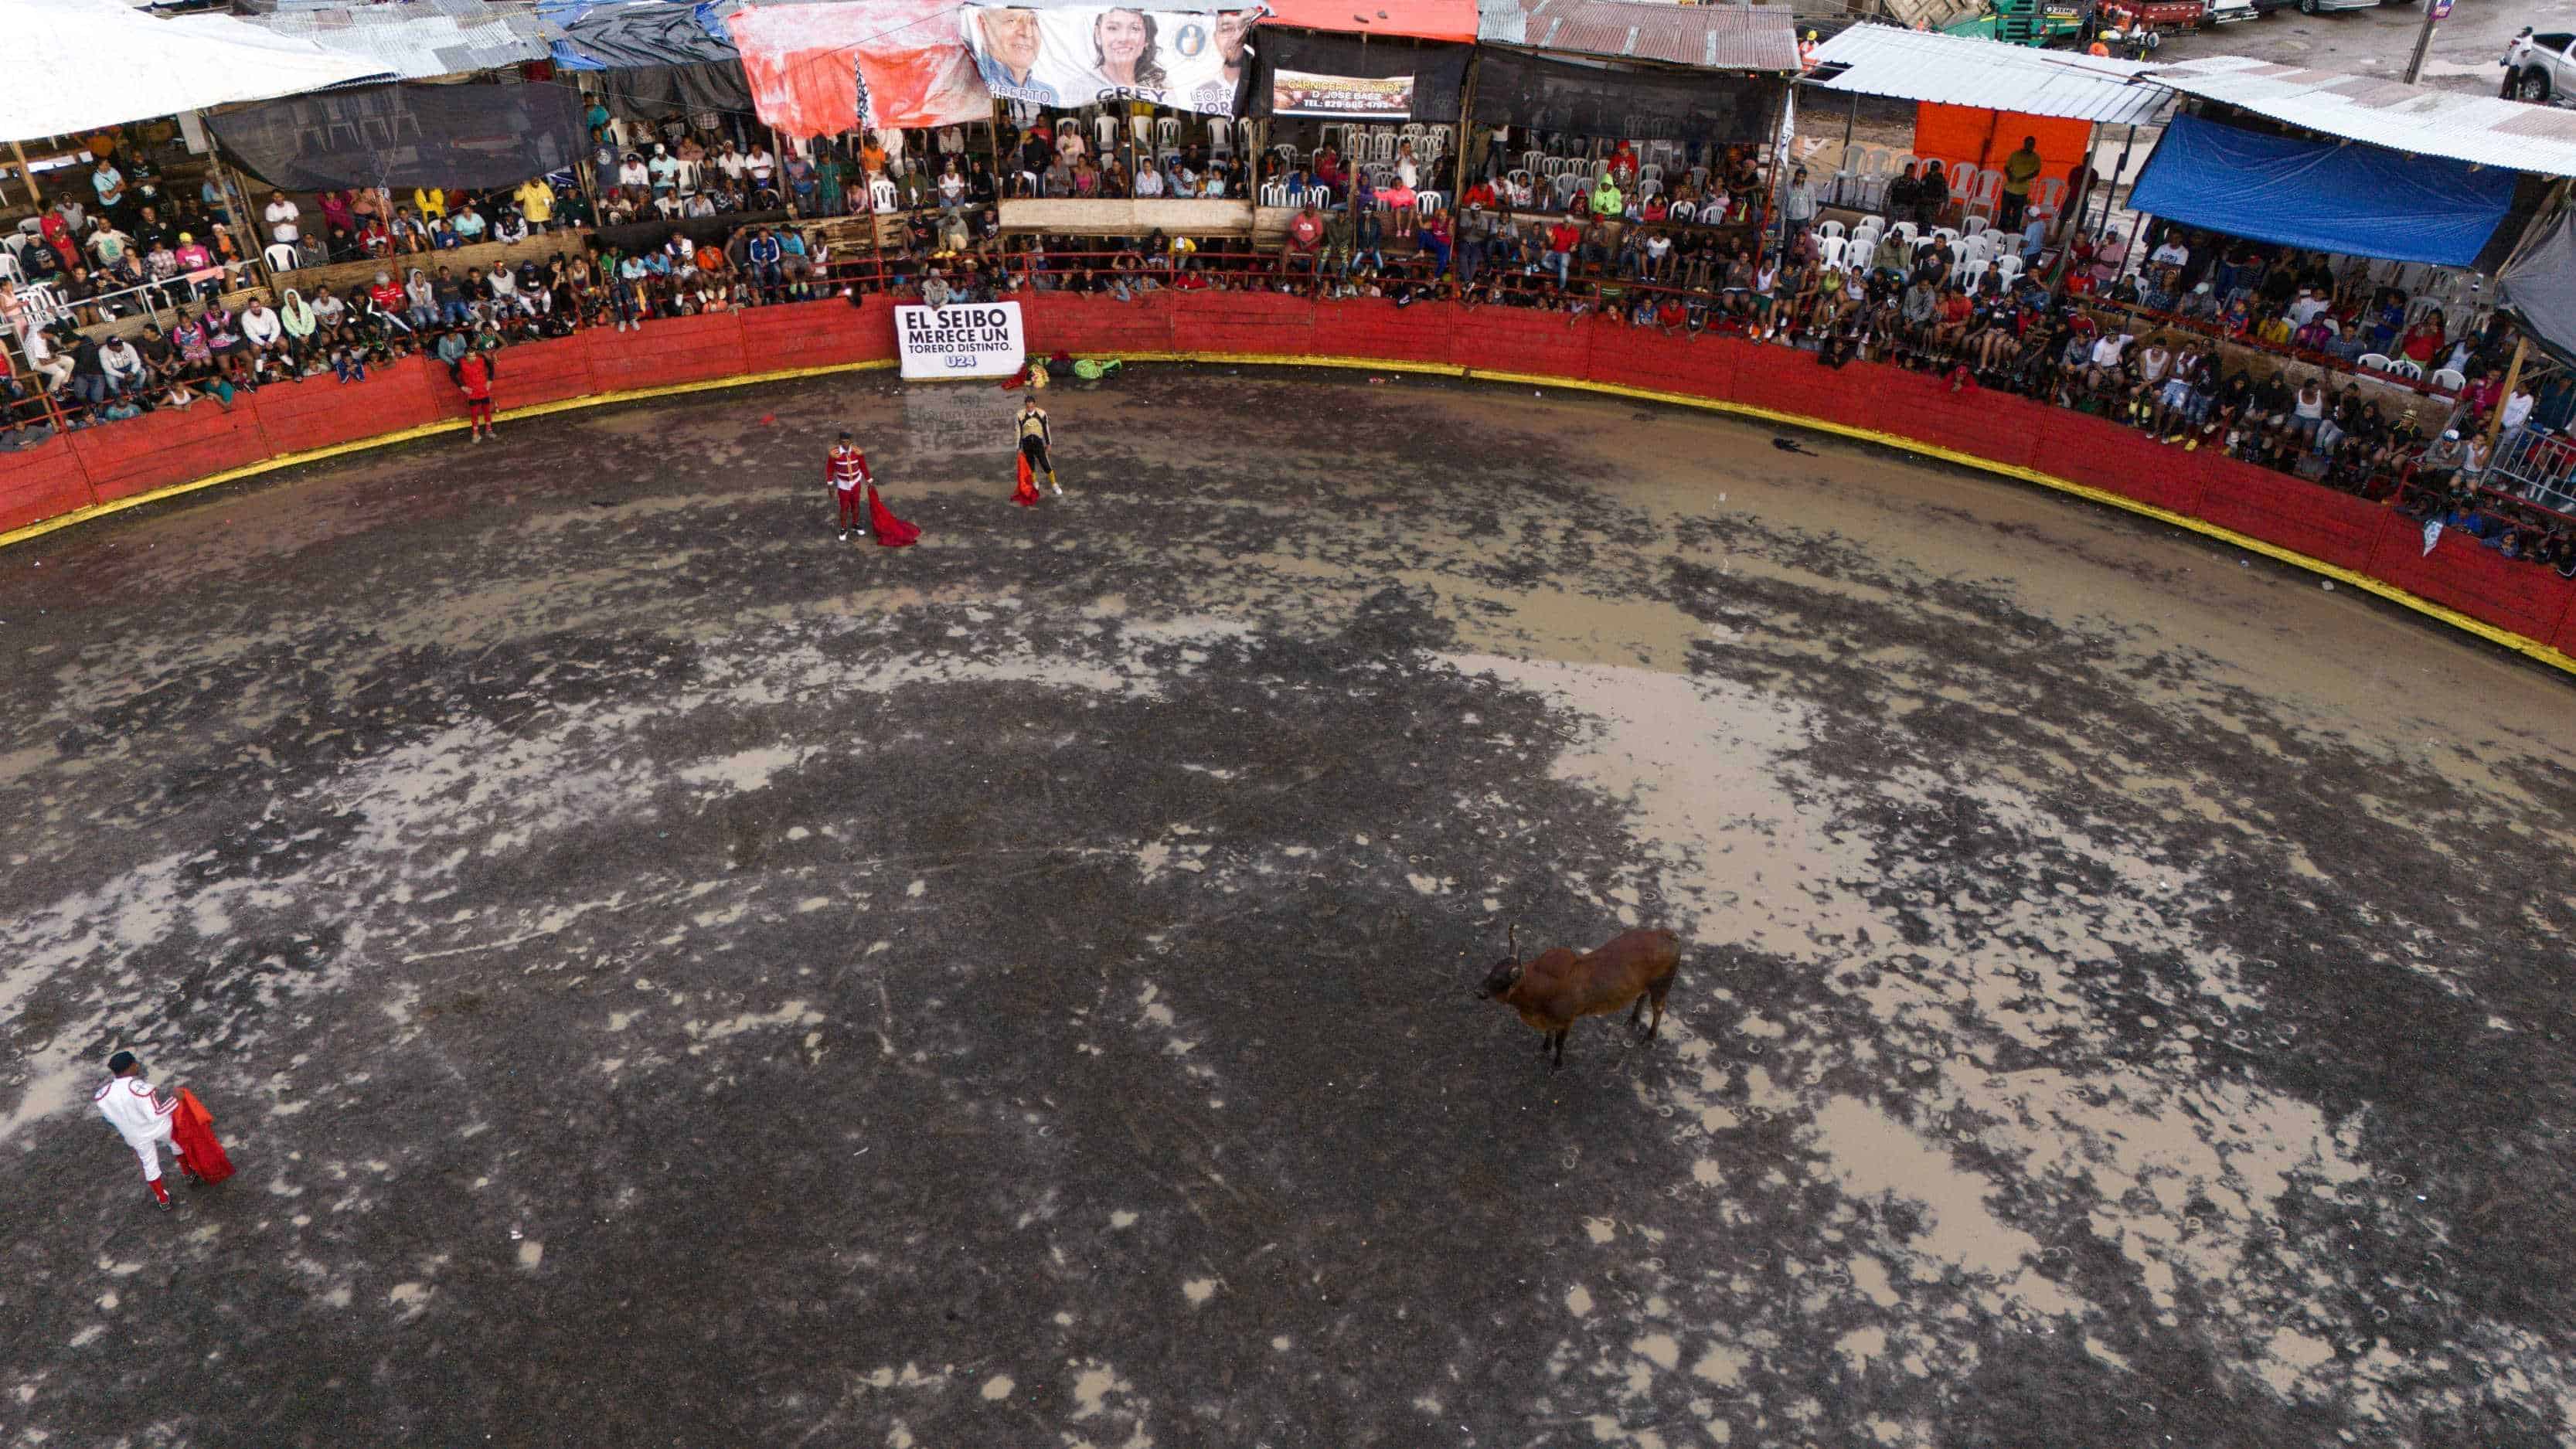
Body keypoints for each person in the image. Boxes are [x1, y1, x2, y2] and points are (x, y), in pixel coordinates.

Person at [94, 1050, 186, 1209]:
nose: (138, 1065)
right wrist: (175, 1099)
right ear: (130, 1067)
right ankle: (188, 1173)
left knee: (149, 1163)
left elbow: (109, 1119)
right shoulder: (141, 1089)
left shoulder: (103, 1095)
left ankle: (163, 1199)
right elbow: (156, 1114)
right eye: (135, 1063)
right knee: (177, 1142)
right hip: (158, 1127)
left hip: (134, 1135)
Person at [975, 7, 1059, 104]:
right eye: (1012, 20)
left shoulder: (1050, 95)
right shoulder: (970, 86)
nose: (1028, 33)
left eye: (1033, 21)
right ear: (983, 24)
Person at [1090, 8, 1165, 97]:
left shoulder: (1160, 84)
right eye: (1113, 28)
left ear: (1147, 39)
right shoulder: (1079, 87)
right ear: (1098, 34)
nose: (1123, 38)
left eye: (1135, 28)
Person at [1193, 9, 1252, 111]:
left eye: (1243, 28)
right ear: (1216, 38)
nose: (1236, 37)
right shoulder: (1201, 90)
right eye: (1227, 29)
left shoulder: (1260, 86)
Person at [826, 429, 872, 540]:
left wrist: (869, 479)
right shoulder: (834, 454)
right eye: (842, 441)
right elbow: (830, 469)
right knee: (844, 507)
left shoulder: (857, 452)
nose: (845, 444)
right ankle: (843, 528)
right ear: (839, 441)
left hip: (856, 483)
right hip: (843, 485)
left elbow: (863, 466)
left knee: (856, 505)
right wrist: (830, 484)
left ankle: (855, 524)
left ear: (851, 441)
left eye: (847, 441)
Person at [1016, 396, 1060, 500]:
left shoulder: (1042, 414)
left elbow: (1046, 429)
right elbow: (1018, 432)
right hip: (1027, 444)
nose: (1030, 409)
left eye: (1032, 406)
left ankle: (1054, 484)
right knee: (1030, 465)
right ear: (1025, 406)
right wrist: (1018, 447)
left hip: (1038, 443)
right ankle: (1035, 482)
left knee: (1045, 464)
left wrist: (1048, 443)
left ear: (1034, 405)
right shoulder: (1020, 415)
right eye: (1028, 407)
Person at [1999, 137, 2043, 232]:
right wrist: (2009, 175)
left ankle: (2014, 233)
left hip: (2022, 191)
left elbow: (2036, 172)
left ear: (2034, 146)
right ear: (2024, 143)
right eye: (2028, 143)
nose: (2029, 146)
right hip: (2009, 188)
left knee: (2017, 215)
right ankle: (2000, 231)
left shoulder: (2036, 158)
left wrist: (2025, 178)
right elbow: (2006, 167)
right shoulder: (2015, 154)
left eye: (2032, 144)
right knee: (2004, 211)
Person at [457, 347, 497, 441]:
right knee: (474, 413)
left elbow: (491, 367)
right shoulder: (460, 363)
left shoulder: (481, 360)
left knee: (487, 411)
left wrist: (490, 380)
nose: (473, 358)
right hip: (472, 392)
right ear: (466, 356)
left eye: (474, 355)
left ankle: (489, 430)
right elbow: (452, 374)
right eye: (470, 356)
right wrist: (462, 387)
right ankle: (475, 433)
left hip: (483, 390)